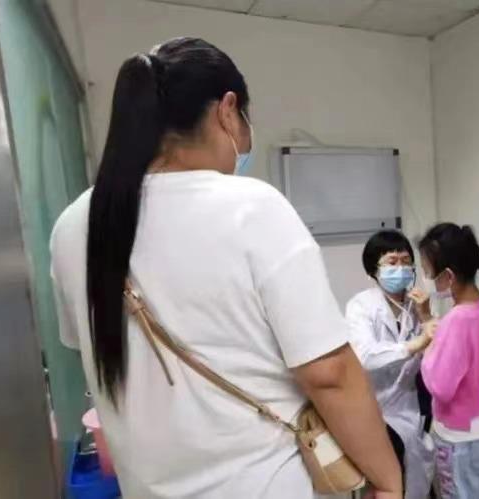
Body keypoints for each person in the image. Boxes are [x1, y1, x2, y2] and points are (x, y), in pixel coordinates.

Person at [50, 37, 402, 499]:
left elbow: (86, 348)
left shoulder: (73, 226)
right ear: (228, 110)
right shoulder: (252, 208)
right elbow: (329, 373)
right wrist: (388, 480)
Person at [419, 224, 479, 499]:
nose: (426, 278)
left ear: (448, 276)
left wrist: (427, 348)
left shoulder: (456, 321)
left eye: (427, 271)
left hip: (461, 439)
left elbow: (441, 387)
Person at [345, 230, 436, 499]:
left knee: (414, 456)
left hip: (409, 400)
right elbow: (366, 356)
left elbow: (436, 351)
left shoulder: (417, 303)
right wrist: (414, 344)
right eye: (392, 262)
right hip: (374, 402)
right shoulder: (361, 306)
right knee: (387, 466)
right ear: (373, 270)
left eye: (406, 261)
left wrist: (426, 316)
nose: (401, 268)